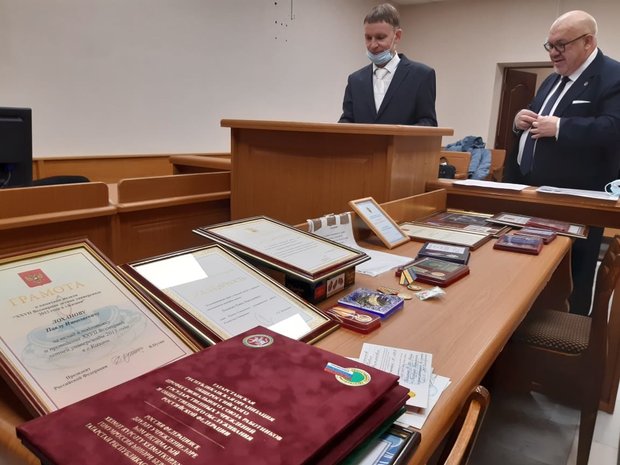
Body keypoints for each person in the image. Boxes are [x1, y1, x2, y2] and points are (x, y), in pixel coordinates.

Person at [503, 10, 620, 315]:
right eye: (549, 45)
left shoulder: (613, 76)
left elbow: (614, 127)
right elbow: (534, 119)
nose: (553, 53)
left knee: (568, 286)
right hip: (532, 195)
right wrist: (518, 121)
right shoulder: (552, 80)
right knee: (524, 280)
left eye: (561, 45)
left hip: (575, 204)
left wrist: (561, 127)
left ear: (588, 42)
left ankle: (568, 336)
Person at [338, 3, 437, 126]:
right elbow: (347, 121)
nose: (373, 45)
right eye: (368, 38)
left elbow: (428, 122)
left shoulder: (421, 76)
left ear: (397, 36)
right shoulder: (355, 80)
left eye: (380, 37)